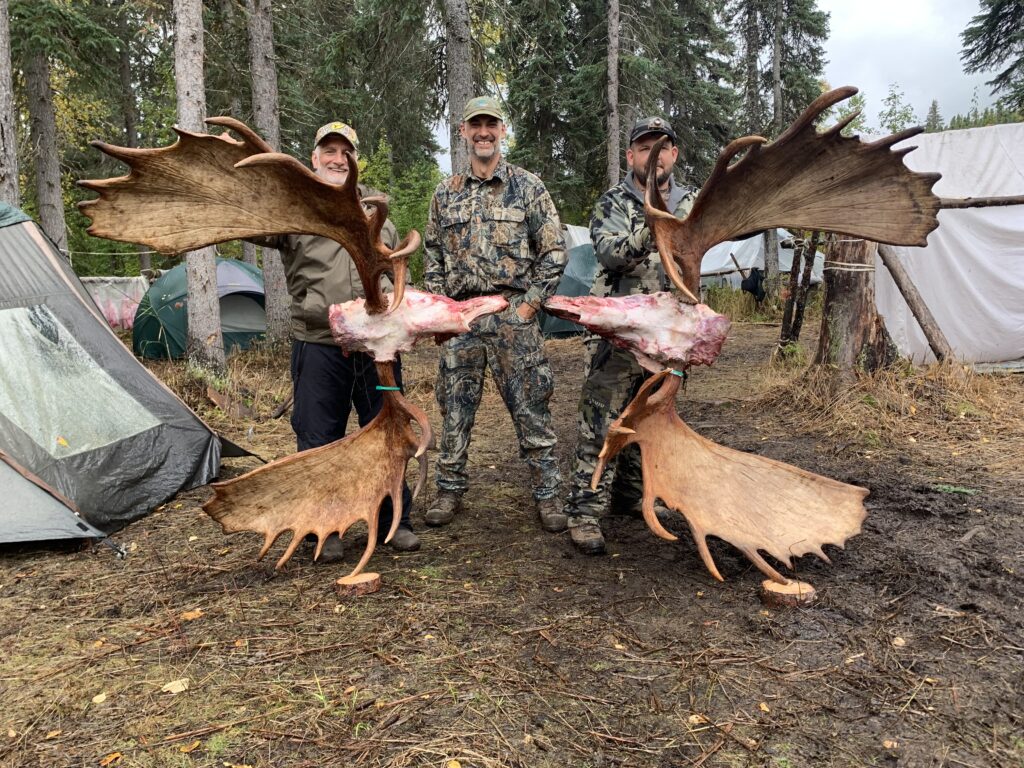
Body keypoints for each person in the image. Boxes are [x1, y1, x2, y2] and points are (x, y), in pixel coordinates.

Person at [254, 121, 419, 561]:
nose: (337, 159)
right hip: (318, 342)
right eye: (329, 151)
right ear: (314, 157)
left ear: (354, 159)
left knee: (386, 432)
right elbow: (251, 223)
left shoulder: (375, 212)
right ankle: (323, 530)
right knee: (318, 436)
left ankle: (393, 522)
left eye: (345, 152)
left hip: (373, 349)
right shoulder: (295, 211)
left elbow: (395, 272)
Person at [423, 96, 567, 532]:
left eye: (491, 124)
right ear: (463, 131)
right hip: (462, 318)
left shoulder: (528, 187)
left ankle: (548, 494)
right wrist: (442, 311)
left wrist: (529, 306)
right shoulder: (445, 194)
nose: (483, 132)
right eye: (475, 125)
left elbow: (555, 250)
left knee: (531, 407)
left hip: (512, 315)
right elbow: (432, 256)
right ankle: (449, 491)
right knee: (454, 409)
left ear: (503, 130)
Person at [564, 117, 696, 555]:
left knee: (652, 418)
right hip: (618, 336)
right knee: (601, 422)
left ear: (674, 154)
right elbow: (610, 253)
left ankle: (631, 496)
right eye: (644, 148)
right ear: (631, 157)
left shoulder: (694, 202)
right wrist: (658, 223)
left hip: (670, 335)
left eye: (662, 147)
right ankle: (584, 510)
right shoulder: (613, 203)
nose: (654, 155)